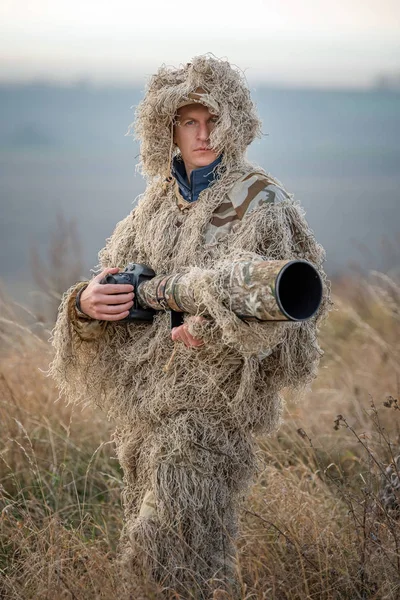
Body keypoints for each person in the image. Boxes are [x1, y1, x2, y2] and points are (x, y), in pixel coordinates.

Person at [50, 55, 330, 598]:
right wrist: (85, 304)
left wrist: (218, 331)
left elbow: (291, 321)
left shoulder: (260, 201)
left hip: (211, 415)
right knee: (177, 562)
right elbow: (117, 283)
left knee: (166, 547)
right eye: (188, 122)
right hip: (145, 415)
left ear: (235, 122)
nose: (203, 136)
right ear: (167, 129)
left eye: (213, 121)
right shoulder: (155, 204)